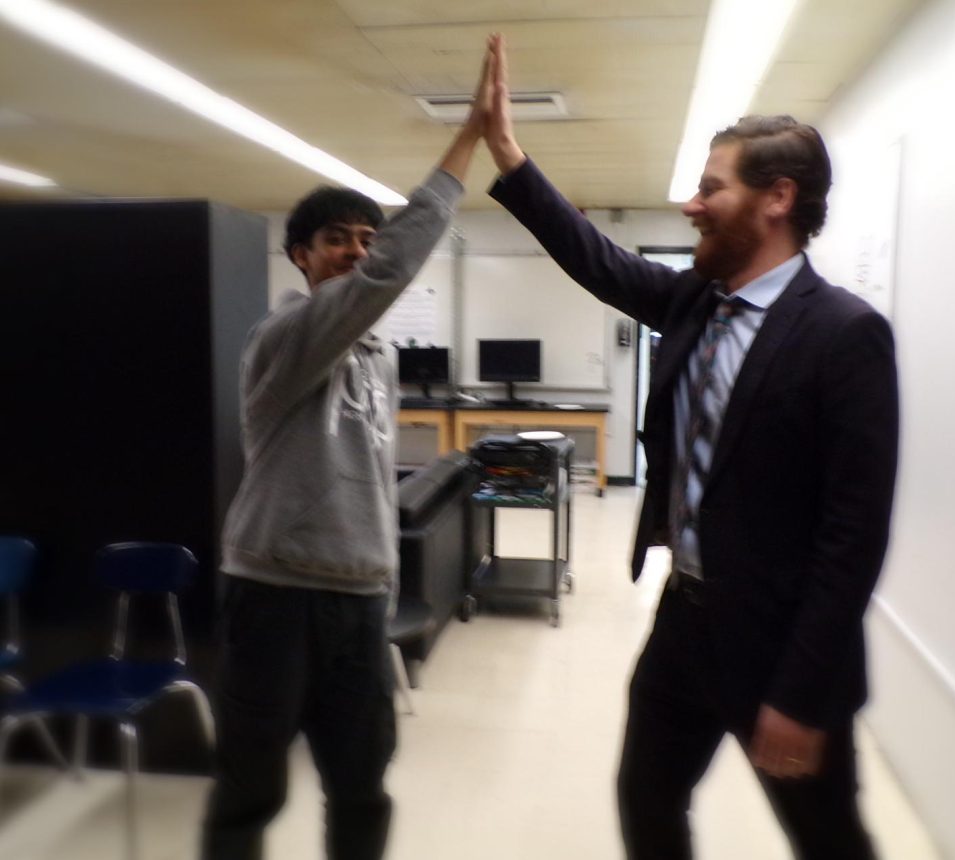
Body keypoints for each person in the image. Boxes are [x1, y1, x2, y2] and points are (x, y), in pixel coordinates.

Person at [482, 37, 899, 860]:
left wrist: (801, 691)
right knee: (646, 798)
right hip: (688, 619)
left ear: (776, 198)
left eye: (712, 187)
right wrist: (508, 155)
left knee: (829, 841)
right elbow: (598, 259)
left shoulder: (844, 336)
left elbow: (853, 538)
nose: (694, 205)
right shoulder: (696, 303)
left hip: (782, 644)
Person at [199, 41, 495, 860]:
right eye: (338, 240)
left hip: (358, 597)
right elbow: (377, 285)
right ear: (300, 255)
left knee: (362, 787)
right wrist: (468, 138)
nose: (358, 253)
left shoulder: (376, 359)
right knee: (250, 790)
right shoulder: (283, 338)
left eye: (369, 238)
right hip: (274, 594)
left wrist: (384, 575)